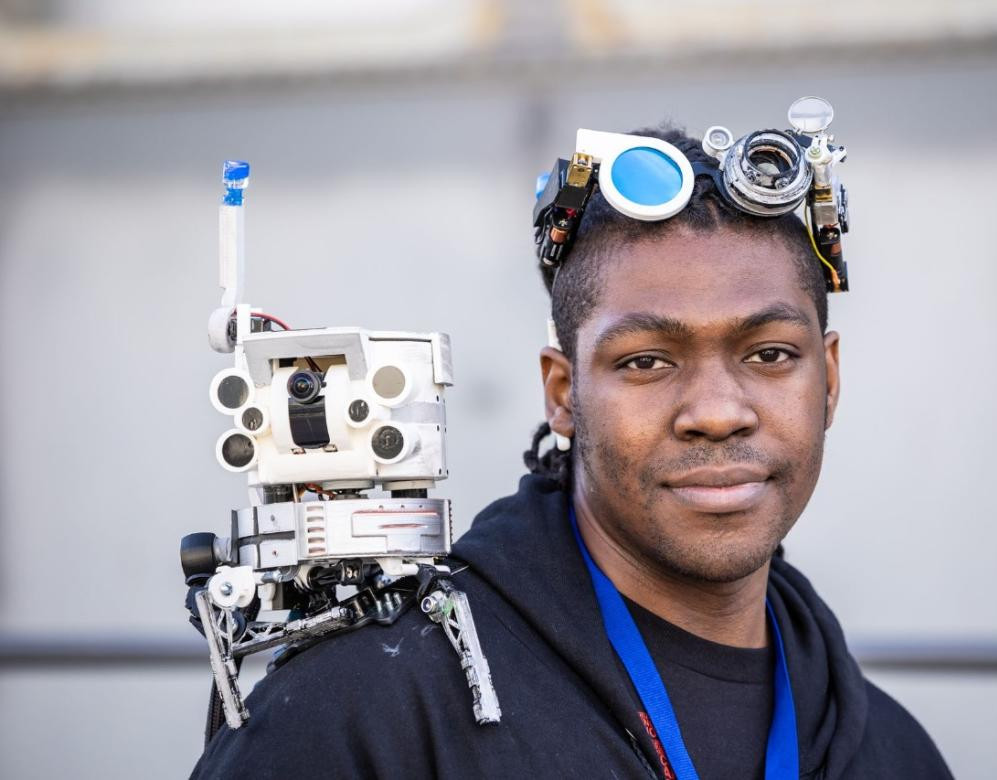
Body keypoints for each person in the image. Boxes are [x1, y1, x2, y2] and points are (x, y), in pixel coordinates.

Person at [192, 126, 952, 779]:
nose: (718, 413)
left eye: (771, 354)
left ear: (831, 380)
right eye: (647, 361)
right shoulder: (361, 712)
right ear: (562, 394)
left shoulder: (891, 752)